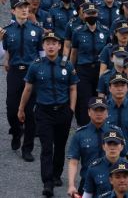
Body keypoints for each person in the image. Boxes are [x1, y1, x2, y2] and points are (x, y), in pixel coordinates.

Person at [18, 30, 78, 197]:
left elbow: (73, 88)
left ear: (59, 46)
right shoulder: (36, 65)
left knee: (60, 146)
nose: (51, 46)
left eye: (54, 43)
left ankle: (57, 174)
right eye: (47, 43)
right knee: (46, 148)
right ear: (43, 46)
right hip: (44, 112)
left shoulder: (67, 65)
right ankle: (48, 182)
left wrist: (71, 109)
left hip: (63, 112)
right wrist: (21, 108)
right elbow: (28, 88)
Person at [1, 0, 44, 162]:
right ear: (13, 11)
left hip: (31, 73)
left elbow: (42, 54)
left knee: (31, 112)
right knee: (11, 109)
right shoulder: (7, 30)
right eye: (20, 7)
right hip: (14, 73)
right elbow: (1, 55)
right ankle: (16, 131)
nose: (24, 10)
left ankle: (27, 148)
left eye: (26, 7)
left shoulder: (36, 30)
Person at [70, 1, 109, 126]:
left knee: (100, 100)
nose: (91, 15)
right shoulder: (78, 31)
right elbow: (74, 52)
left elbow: (108, 52)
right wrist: (72, 69)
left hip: (100, 70)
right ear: (84, 15)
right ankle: (84, 128)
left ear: (97, 14)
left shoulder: (105, 31)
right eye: (88, 13)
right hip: (83, 70)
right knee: (85, 101)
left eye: (93, 13)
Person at [67, 97, 115, 197]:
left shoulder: (115, 133)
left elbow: (123, 159)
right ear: (89, 112)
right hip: (87, 185)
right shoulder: (80, 135)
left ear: (107, 113)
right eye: (95, 110)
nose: (99, 113)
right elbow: (73, 162)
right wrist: (71, 185)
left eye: (102, 110)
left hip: (111, 185)